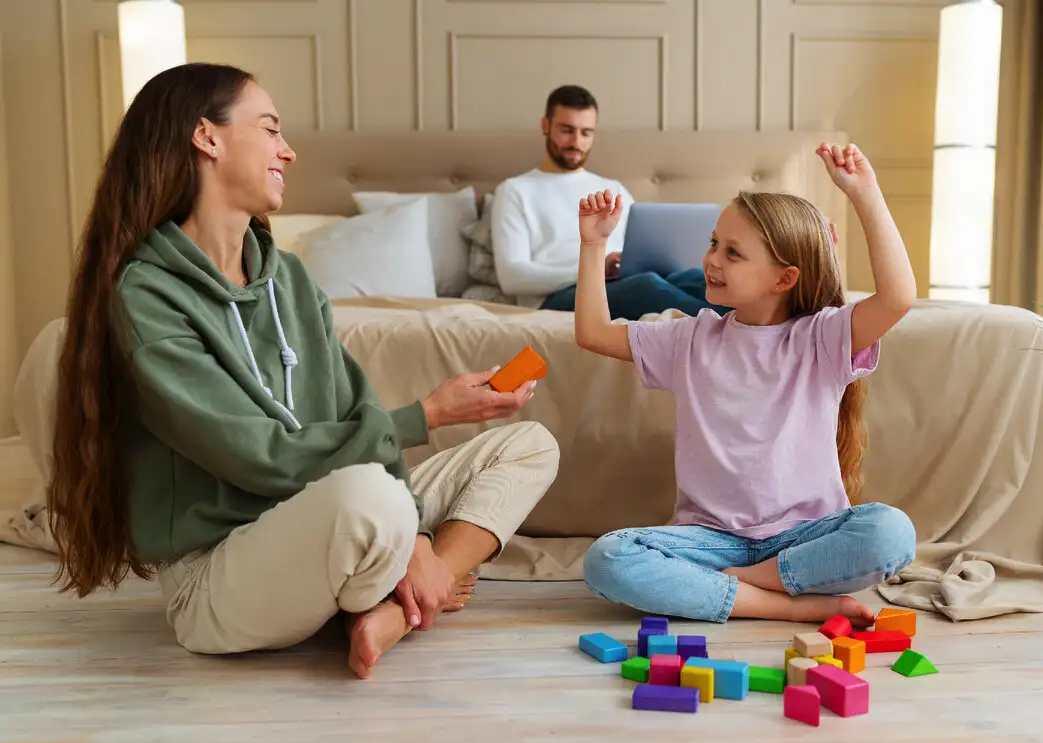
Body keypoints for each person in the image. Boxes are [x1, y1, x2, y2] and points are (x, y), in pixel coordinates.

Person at [45, 63, 560, 680]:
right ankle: (396, 586)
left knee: (529, 446)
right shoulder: (146, 295)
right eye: (269, 129)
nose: (288, 151)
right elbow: (255, 456)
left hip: (323, 517)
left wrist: (422, 541)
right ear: (206, 137)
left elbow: (353, 414)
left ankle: (396, 606)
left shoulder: (287, 278)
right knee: (372, 500)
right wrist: (429, 416)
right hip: (219, 576)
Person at [574, 143, 917, 626]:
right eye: (714, 243)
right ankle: (788, 605)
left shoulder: (822, 338)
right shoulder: (690, 337)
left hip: (805, 540)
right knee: (608, 558)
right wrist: (592, 246)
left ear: (784, 279)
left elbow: (899, 297)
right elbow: (592, 333)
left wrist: (865, 193)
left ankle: (748, 583)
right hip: (713, 542)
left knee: (891, 532)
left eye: (733, 253)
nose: (712, 260)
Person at [491, 85, 727, 319]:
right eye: (566, 130)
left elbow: (642, 249)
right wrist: (594, 269)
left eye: (586, 133)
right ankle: (731, 326)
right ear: (545, 125)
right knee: (645, 287)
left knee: (695, 278)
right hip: (558, 296)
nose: (576, 142)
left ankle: (757, 321)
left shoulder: (612, 187)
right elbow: (512, 277)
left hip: (626, 279)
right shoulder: (515, 190)